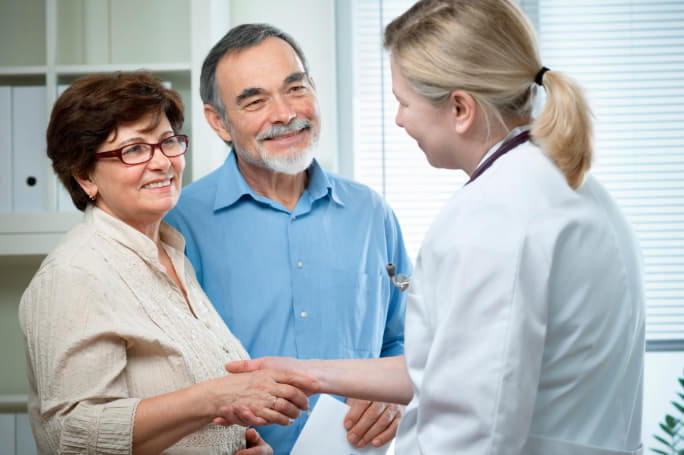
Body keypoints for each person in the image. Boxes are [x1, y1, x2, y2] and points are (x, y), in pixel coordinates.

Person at [226, 1, 647, 454]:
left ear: (461, 109)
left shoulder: (492, 216)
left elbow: (471, 430)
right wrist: (310, 373)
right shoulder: (568, 184)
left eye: (403, 102)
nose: (399, 119)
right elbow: (450, 366)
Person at [18, 71, 319, 455]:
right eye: (134, 150)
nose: (161, 162)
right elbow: (73, 437)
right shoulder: (73, 275)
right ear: (84, 177)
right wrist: (216, 397)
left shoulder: (173, 253)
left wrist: (232, 445)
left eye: (167, 142)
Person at [163, 23, 412, 454]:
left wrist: (391, 400)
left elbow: (404, 341)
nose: (284, 114)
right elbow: (167, 376)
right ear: (218, 121)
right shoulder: (177, 225)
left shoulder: (372, 214)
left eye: (295, 88)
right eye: (256, 100)